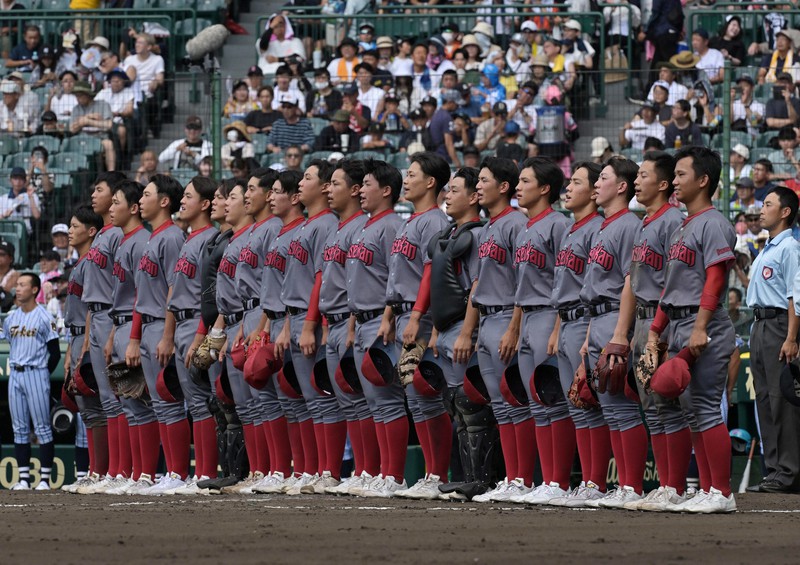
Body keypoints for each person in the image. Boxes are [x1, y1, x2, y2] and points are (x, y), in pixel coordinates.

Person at [646, 146, 737, 513]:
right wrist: (655, 331)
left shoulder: (713, 222)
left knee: (705, 408)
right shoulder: (684, 226)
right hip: (679, 322)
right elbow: (670, 289)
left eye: (682, 174)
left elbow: (716, 278)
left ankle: (722, 493)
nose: (676, 181)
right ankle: (707, 488)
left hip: (706, 324)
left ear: (703, 180)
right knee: (690, 411)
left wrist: (700, 327)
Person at [376, 153, 452, 500]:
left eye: (414, 175)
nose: (407, 180)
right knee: (415, 400)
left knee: (427, 398)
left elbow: (430, 274)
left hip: (420, 316)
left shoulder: (435, 221)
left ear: (431, 182)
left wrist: (420, 318)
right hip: (404, 314)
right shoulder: (412, 220)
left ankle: (437, 474)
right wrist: (391, 315)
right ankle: (430, 474)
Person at [501, 157, 573, 504]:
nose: (518, 186)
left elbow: (566, 280)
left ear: (545, 188)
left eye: (525, 181)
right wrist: (515, 326)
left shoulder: (558, 224)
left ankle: (558, 482)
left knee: (552, 401)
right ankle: (541, 482)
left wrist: (559, 326)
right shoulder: (527, 226)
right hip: (528, 316)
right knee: (534, 403)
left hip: (548, 314)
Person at [276, 160, 348, 495]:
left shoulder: (325, 225)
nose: (301, 184)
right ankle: (311, 469)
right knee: (305, 398)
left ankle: (328, 470)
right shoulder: (307, 225)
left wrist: (312, 323)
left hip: (313, 319)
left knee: (321, 398)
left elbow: (324, 279)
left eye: (308, 178)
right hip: (294, 316)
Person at [468, 158, 532, 503]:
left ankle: (524, 478)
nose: (478, 186)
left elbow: (526, 280)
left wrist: (514, 326)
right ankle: (513, 477)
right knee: (501, 405)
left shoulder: (515, 223)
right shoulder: (489, 225)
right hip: (488, 318)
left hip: (508, 316)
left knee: (515, 401)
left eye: (484, 180)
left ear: (503, 187)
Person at [344, 159, 408, 497]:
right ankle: (380, 472)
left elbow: (395, 279)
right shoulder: (366, 226)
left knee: (388, 399)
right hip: (362, 320)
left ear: (385, 190)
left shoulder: (392, 227)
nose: (362, 190)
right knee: (372, 401)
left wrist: (389, 317)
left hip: (383, 323)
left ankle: (393, 475)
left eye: (367, 184)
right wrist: (353, 323)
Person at [226, 169, 286, 494]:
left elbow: (272, 283)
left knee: (270, 397)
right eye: (245, 190)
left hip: (262, 313)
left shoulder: (272, 228)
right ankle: (261, 471)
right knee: (253, 402)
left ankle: (277, 470)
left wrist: (260, 324)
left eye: (252, 189)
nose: (248, 195)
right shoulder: (252, 231)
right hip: (246, 315)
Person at [129, 174, 189, 494]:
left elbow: (173, 290)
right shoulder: (154, 237)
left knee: (169, 400)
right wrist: (136, 337)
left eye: (147, 194)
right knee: (159, 402)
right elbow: (141, 294)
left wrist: (168, 335)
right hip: (149, 325)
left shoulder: (171, 238)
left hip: (163, 327)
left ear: (164, 201)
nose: (141, 200)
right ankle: (169, 473)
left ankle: (178, 473)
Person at [97, 180, 156, 495]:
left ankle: (145, 474)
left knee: (141, 402)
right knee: (128, 403)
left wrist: (132, 336)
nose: (110, 207)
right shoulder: (125, 241)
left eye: (115, 201)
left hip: (136, 326)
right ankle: (133, 474)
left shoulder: (142, 241)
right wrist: (113, 335)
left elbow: (141, 296)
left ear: (133, 208)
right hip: (118, 326)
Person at [165, 176, 220, 494]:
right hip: (184, 324)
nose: (181, 201)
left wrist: (201, 333)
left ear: (205, 203)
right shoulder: (190, 238)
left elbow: (210, 294)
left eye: (188, 196)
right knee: (196, 403)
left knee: (205, 403)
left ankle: (207, 473)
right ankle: (198, 474)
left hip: (200, 324)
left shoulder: (210, 238)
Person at [745, 187, 800, 494]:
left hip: (779, 325)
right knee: (765, 400)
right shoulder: (769, 247)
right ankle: (775, 470)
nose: (761, 209)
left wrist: (792, 337)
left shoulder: (790, 247)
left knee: (783, 401)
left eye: (768, 204)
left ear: (785, 212)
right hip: (760, 324)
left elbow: (795, 295)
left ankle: (790, 472)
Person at [59, 205, 105, 493]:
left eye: (75, 226)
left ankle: (101, 472)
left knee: (96, 410)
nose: (69, 231)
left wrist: (85, 348)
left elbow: (92, 308)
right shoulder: (80, 263)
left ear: (91, 231)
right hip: (75, 338)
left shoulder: (91, 262)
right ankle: (95, 470)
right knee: (86, 410)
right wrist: (70, 352)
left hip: (86, 337)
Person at [3, 272, 60, 490]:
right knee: (19, 428)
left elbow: (54, 352)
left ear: (35, 290)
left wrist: (44, 372)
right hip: (15, 373)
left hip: (36, 372)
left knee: (42, 427)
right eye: (17, 285)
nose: (17, 289)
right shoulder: (11, 319)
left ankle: (44, 479)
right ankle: (24, 479)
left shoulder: (45, 317)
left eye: (22, 285)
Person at [123, 33, 165, 138]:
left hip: (147, 93)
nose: (137, 45)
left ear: (149, 47)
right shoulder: (129, 60)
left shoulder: (157, 59)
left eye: (141, 43)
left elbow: (160, 78)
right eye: (136, 42)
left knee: (149, 102)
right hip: (129, 92)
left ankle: (145, 129)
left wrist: (155, 82)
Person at [69, 81, 116, 171]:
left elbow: (109, 125)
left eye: (80, 96)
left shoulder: (103, 104)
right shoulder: (76, 108)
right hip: (83, 139)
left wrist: (88, 121)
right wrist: (88, 117)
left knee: (109, 144)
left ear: (88, 95)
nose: (78, 99)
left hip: (100, 137)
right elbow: (72, 129)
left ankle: (111, 172)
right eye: (77, 96)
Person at [642, 0, 683, 87]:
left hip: (663, 32)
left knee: (670, 64)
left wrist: (646, 31)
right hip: (672, 32)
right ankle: (649, 89)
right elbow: (680, 14)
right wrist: (678, 31)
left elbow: (655, 14)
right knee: (658, 63)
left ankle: (677, 88)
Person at [0, 167, 40, 236]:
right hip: (7, 229)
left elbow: (37, 216)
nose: (18, 182)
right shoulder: (3, 198)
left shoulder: (32, 196)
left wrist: (30, 197)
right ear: (10, 180)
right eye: (15, 179)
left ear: (25, 181)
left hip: (25, 231)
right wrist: (5, 215)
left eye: (21, 179)